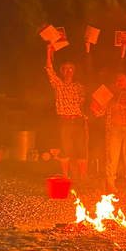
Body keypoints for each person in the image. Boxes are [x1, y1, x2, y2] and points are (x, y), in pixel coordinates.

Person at [91, 72, 126, 193]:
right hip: (115, 129)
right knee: (112, 157)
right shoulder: (109, 97)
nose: (120, 82)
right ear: (115, 82)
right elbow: (99, 112)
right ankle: (110, 181)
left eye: (123, 79)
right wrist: (95, 108)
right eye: (118, 80)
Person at [45, 44, 87, 179]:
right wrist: (48, 52)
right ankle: (64, 175)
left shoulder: (78, 86)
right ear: (62, 71)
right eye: (65, 70)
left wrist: (85, 120)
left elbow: (83, 104)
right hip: (64, 120)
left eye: (70, 69)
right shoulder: (59, 85)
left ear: (73, 71)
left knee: (81, 149)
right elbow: (49, 70)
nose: (68, 72)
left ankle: (83, 176)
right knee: (65, 149)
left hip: (78, 119)